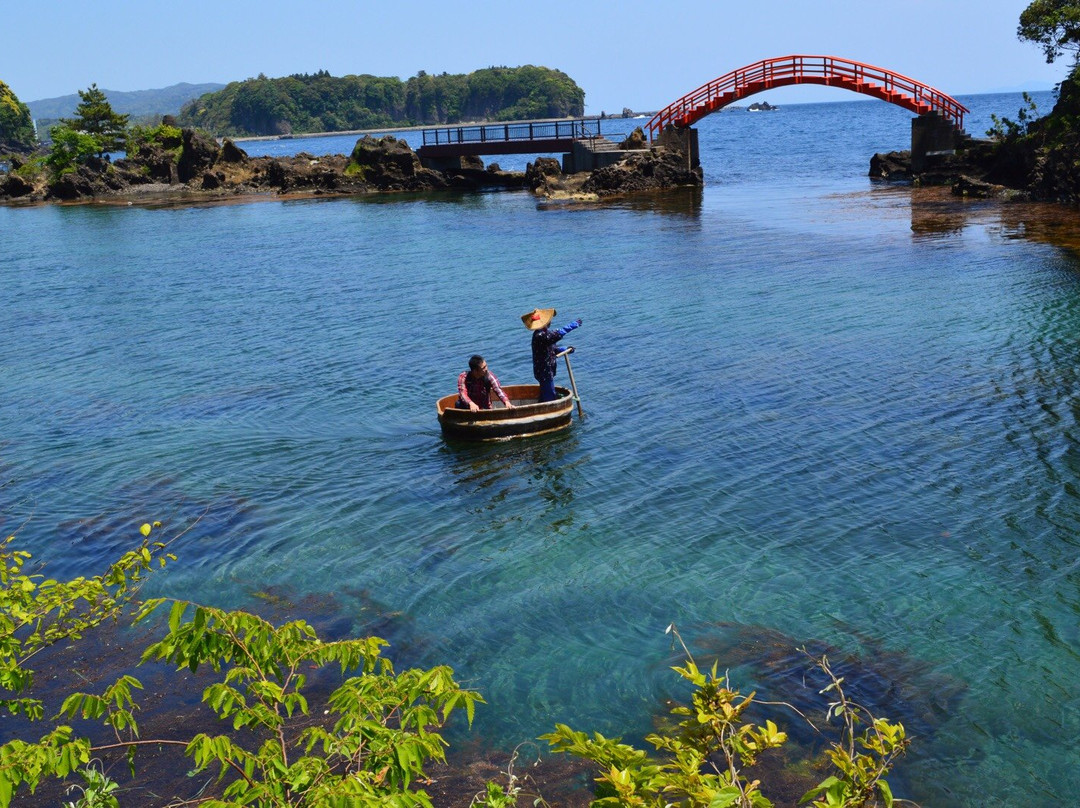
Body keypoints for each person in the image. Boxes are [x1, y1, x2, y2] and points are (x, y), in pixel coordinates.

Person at [521, 308, 582, 403]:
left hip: (546, 370)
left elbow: (552, 349)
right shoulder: (539, 335)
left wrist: (565, 349)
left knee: (546, 393)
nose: (550, 322)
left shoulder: (544, 333)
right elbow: (555, 335)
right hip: (543, 371)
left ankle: (543, 403)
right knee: (549, 395)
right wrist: (571, 326)